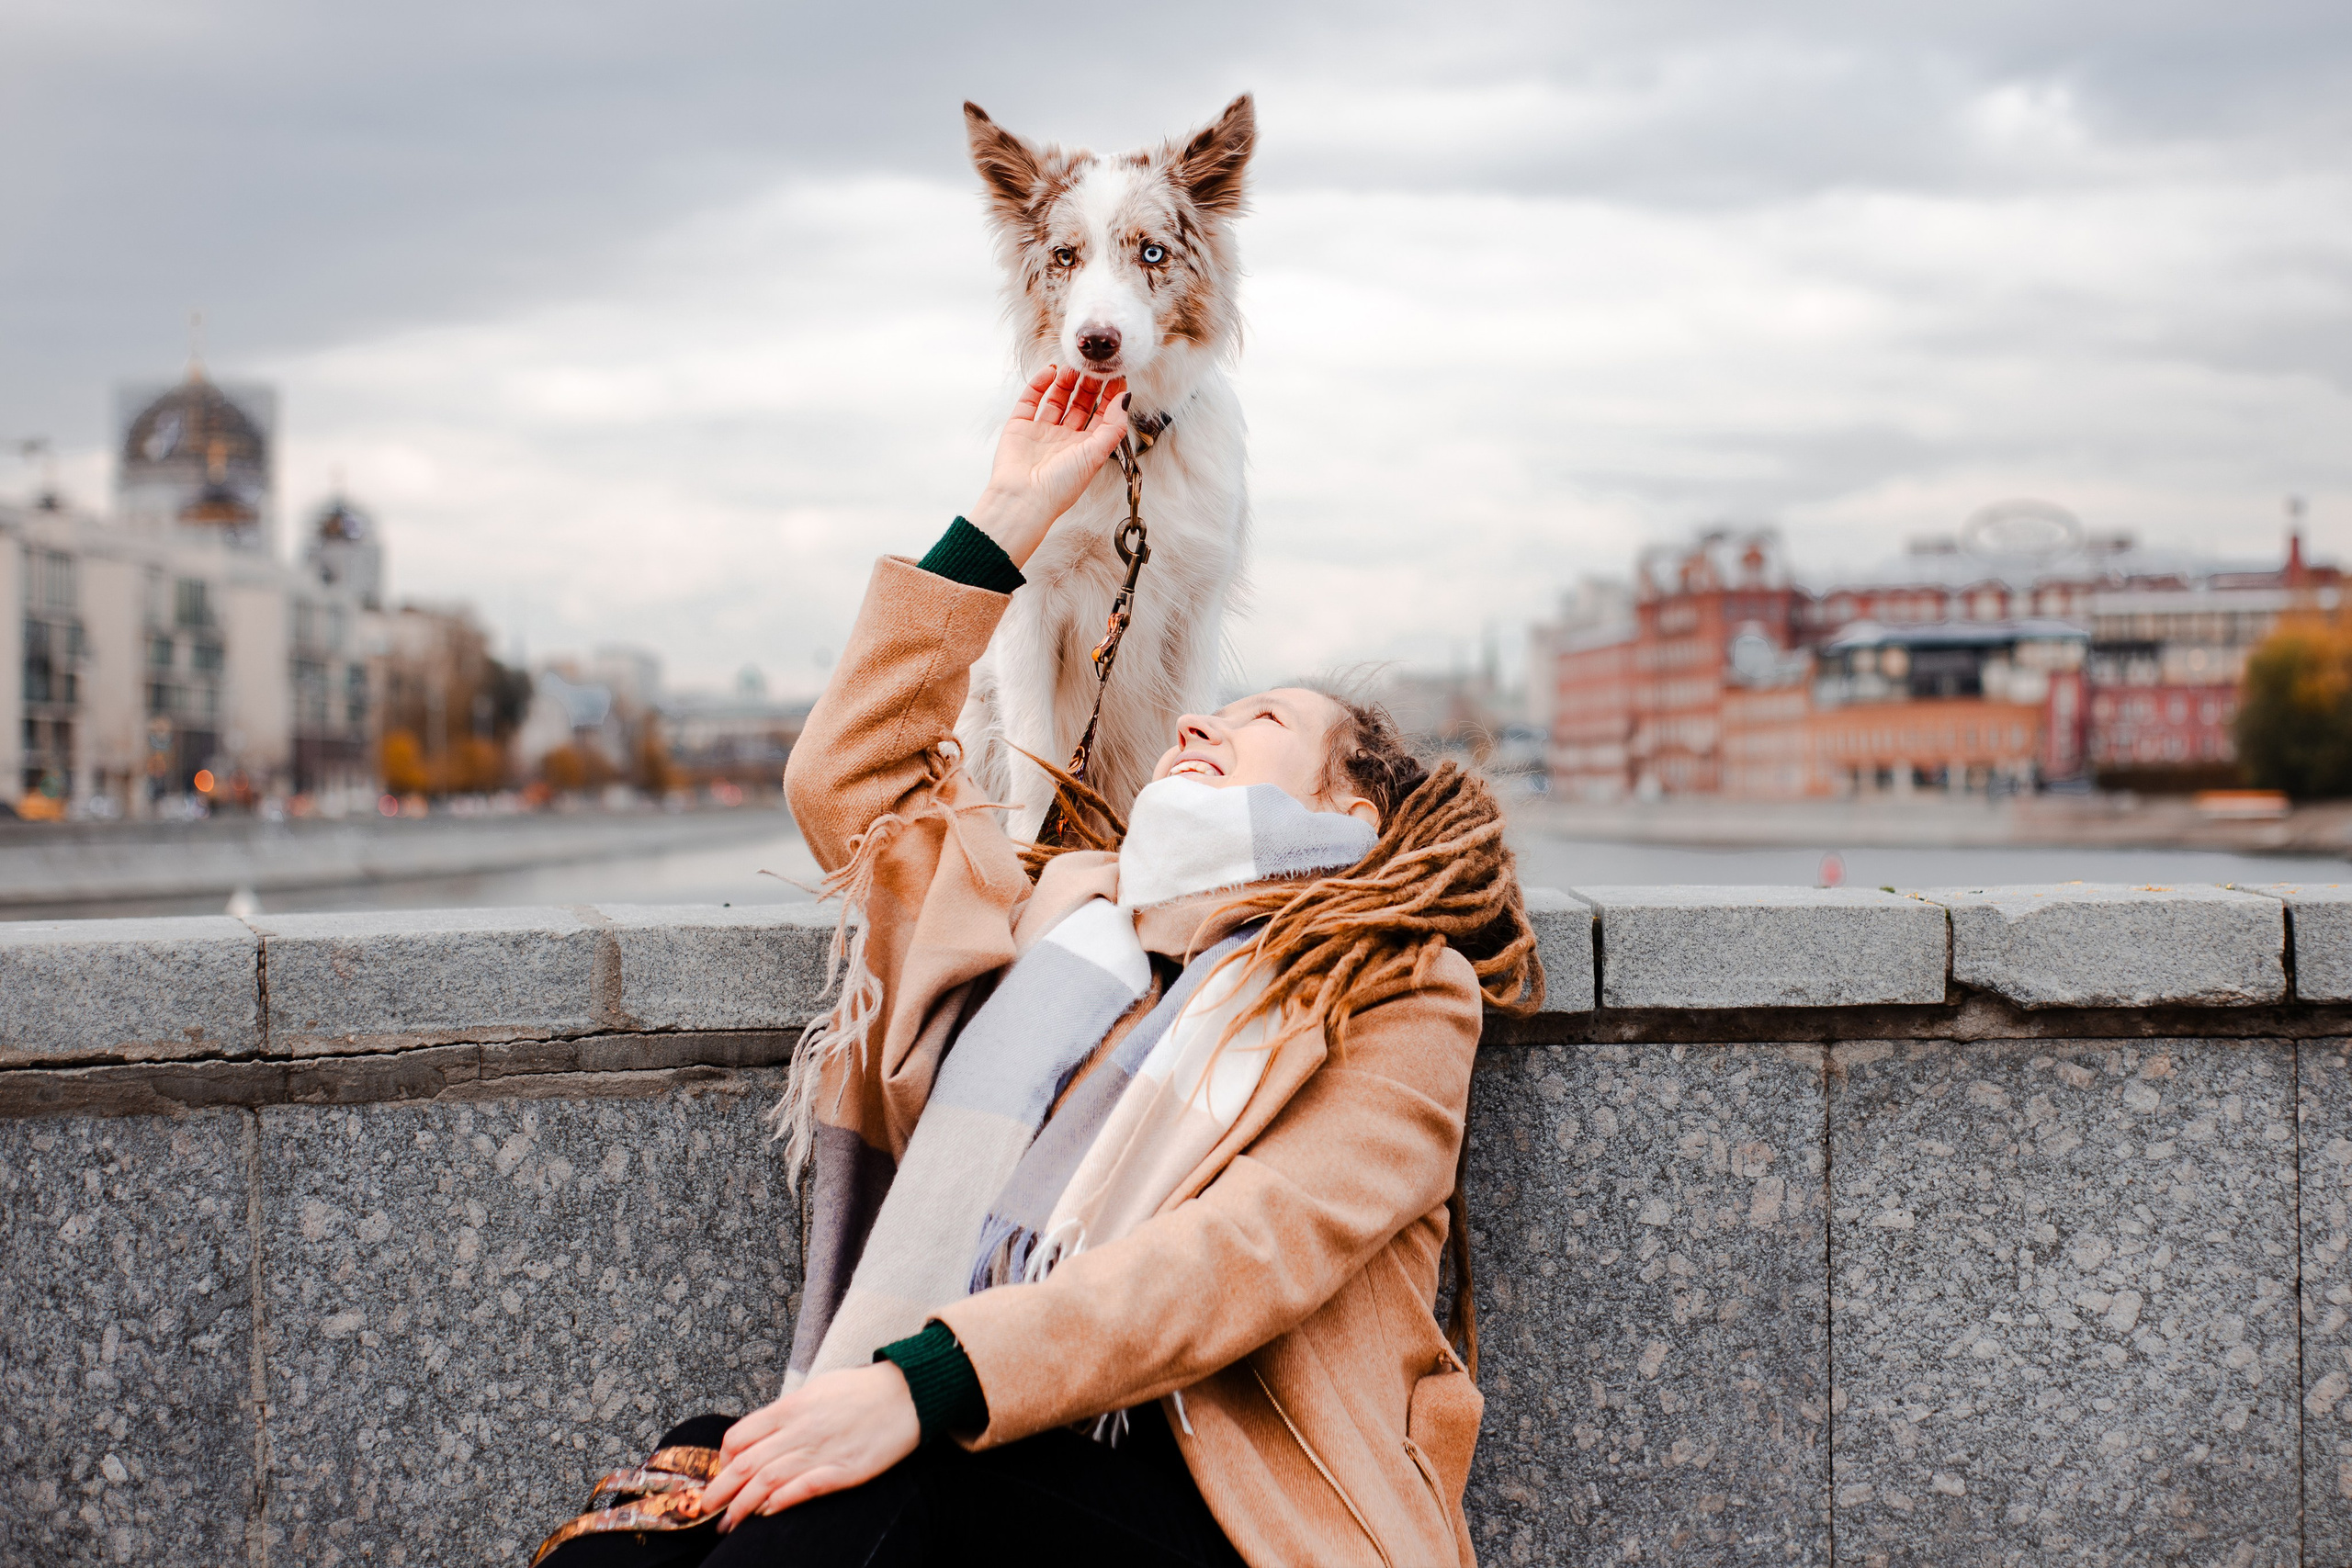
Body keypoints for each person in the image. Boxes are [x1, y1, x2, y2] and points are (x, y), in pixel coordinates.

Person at [535, 367, 1540, 1568]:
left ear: (1356, 806)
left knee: (865, 1490)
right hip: (1001, 1447)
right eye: (1213, 711)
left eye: (1261, 720)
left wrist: (926, 1383)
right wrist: (1009, 513)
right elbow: (848, 785)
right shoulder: (1066, 909)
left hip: (1238, 1515)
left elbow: (1243, 1254)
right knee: (680, 1492)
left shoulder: (1397, 983)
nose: (1198, 724)